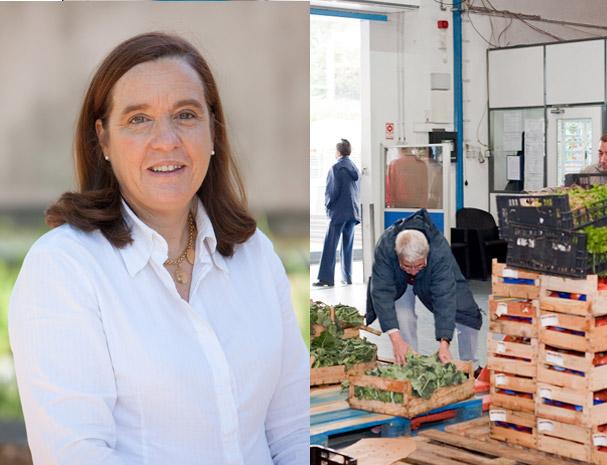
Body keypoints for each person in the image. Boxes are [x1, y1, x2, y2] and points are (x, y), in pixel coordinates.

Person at [9, 33, 308, 465]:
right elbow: (77, 455)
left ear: (212, 132)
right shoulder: (63, 268)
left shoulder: (255, 255)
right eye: (138, 119)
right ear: (104, 140)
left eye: (185, 115)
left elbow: (292, 430)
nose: (166, 140)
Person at [366, 209, 483, 365]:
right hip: (398, 282)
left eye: (419, 266)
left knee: (467, 314)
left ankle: (471, 366)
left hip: (432, 277)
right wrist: (396, 339)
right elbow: (381, 292)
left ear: (427, 255)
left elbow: (444, 296)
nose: (413, 271)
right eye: (408, 266)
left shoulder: (439, 251)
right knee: (403, 316)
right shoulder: (386, 247)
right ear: (398, 256)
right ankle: (409, 362)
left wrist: (444, 342)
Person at [313, 139, 360, 287]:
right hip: (352, 212)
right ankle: (348, 277)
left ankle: (326, 278)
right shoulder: (354, 168)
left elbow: (332, 191)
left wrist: (327, 205)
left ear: (338, 152)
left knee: (330, 245)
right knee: (348, 245)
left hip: (339, 212)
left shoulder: (336, 167)